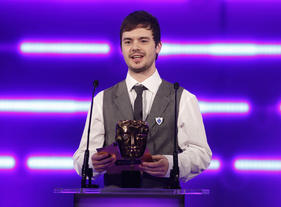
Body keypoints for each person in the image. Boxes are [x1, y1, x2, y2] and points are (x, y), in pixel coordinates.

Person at [73, 10, 212, 188]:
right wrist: (93, 162)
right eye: (128, 41)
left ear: (158, 46)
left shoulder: (183, 98)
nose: (135, 48)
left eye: (143, 40)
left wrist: (170, 164)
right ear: (121, 48)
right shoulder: (101, 99)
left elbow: (201, 154)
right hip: (113, 201)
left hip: (164, 200)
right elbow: (80, 158)